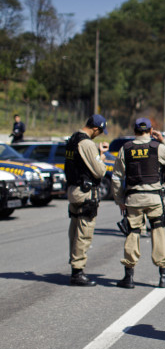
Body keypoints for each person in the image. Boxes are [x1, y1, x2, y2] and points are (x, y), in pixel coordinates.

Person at [112, 118, 165, 289]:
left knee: (132, 233)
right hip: (153, 199)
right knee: (158, 233)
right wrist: (163, 140)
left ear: (134, 130)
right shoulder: (156, 147)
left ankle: (128, 277)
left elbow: (116, 177)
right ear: (151, 131)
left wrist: (120, 200)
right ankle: (164, 276)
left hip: (133, 199)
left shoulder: (126, 149)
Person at [65, 114, 109, 286]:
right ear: (95, 128)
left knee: (74, 231)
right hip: (85, 193)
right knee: (84, 233)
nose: (99, 134)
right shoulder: (87, 143)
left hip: (72, 190)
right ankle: (77, 272)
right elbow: (100, 171)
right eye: (100, 131)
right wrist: (102, 157)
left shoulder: (72, 139)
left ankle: (74, 266)